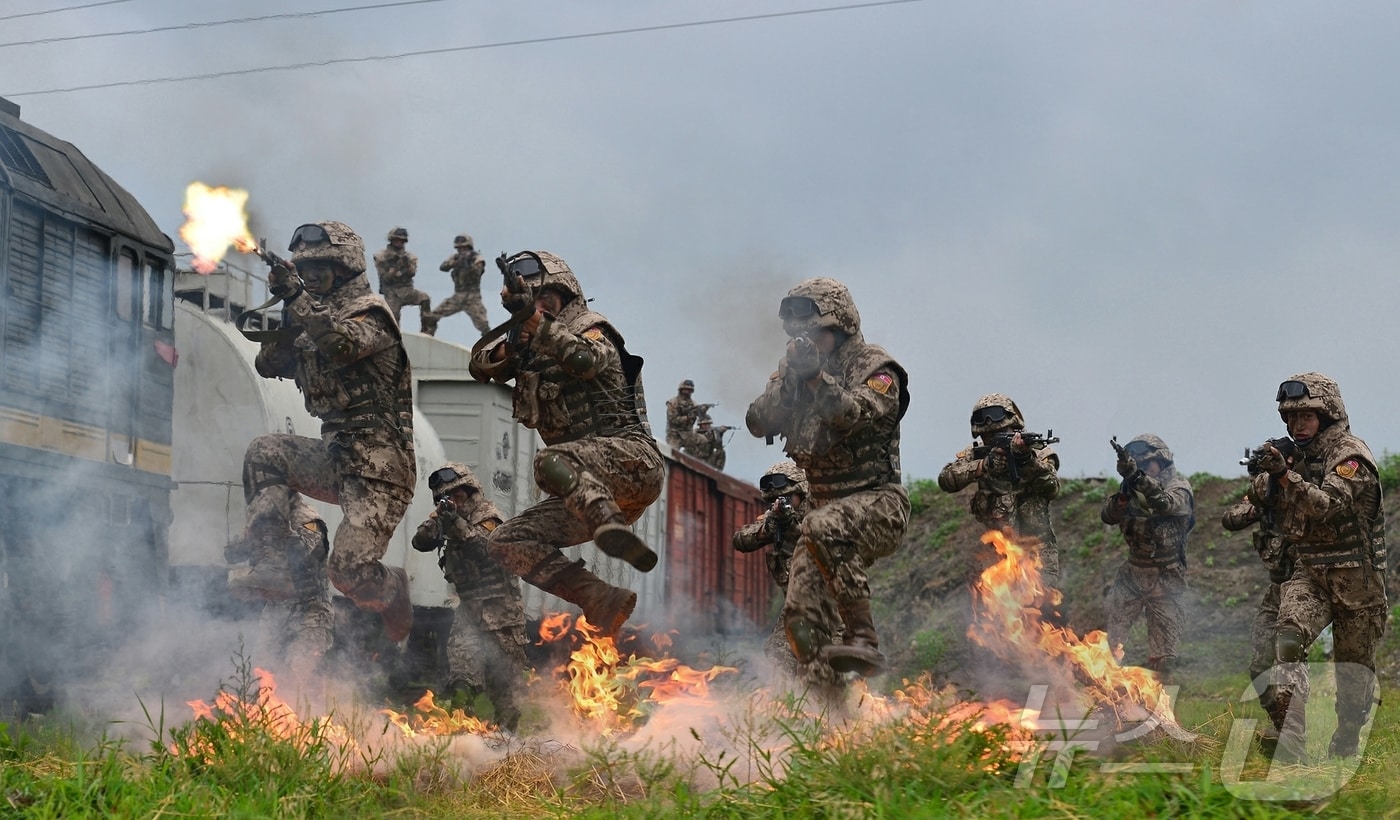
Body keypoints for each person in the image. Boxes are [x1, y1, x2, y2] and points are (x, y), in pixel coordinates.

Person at [236, 220, 415, 642]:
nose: (310, 275)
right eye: (304, 268)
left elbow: (342, 346)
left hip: (380, 467)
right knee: (265, 452)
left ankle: (394, 589)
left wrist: (298, 299)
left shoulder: (372, 312)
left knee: (348, 573)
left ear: (347, 267)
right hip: (336, 456)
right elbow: (268, 365)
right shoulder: (307, 314)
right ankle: (272, 562)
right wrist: (288, 308)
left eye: (321, 267)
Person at [468, 250, 663, 638]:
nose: (539, 310)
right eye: (531, 303)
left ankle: (608, 525)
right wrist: (516, 338)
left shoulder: (593, 328)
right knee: (506, 541)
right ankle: (600, 598)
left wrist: (537, 323)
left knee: (548, 460)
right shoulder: (529, 345)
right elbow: (480, 367)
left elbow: (584, 359)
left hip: (632, 463)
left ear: (567, 297)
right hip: (583, 488)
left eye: (547, 302)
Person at [745, 277, 910, 679]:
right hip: (824, 512)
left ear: (841, 327)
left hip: (878, 503)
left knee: (820, 524)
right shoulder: (792, 371)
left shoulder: (876, 368)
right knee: (799, 621)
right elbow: (756, 421)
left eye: (817, 333)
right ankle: (826, 710)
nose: (809, 341)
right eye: (802, 335)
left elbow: (850, 416)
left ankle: (863, 638)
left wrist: (818, 379)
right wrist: (789, 383)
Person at [1247, 373, 1386, 763]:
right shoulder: (1295, 457)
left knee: (1353, 675)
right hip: (1310, 573)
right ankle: (1291, 738)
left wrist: (1282, 475)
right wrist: (1266, 475)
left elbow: (1326, 506)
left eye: (1306, 416)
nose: (1297, 425)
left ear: (1327, 415)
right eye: (1291, 419)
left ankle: (1345, 742)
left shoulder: (1349, 456)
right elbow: (1251, 501)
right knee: (1287, 640)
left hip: (1356, 579)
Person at [412, 463, 528, 731]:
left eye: (459, 496)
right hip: (468, 614)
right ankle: (465, 743)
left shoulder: (490, 518)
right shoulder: (448, 517)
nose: (455, 502)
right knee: (461, 684)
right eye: (448, 497)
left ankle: (508, 748)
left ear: (471, 492)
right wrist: (439, 520)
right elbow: (420, 542)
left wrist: (457, 525)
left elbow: (487, 552)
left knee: (505, 693)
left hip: (502, 615)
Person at [937, 393, 1062, 597]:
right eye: (989, 437)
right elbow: (946, 480)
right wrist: (983, 465)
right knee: (997, 618)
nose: (994, 439)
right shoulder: (977, 453)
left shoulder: (1039, 453)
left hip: (1037, 553)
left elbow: (1052, 488)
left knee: (1040, 613)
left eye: (1002, 433)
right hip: (997, 554)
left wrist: (1025, 459)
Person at [1101, 434, 1194, 679]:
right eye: (1139, 466)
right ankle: (1111, 699)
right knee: (1110, 646)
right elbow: (1108, 516)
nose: (1144, 470)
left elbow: (1164, 503)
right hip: (1132, 575)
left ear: (1161, 462)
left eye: (1148, 465)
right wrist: (1123, 495)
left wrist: (1136, 478)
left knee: (1164, 658)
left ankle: (1160, 708)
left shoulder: (1179, 487)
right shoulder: (1133, 489)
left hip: (1166, 577)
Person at [733, 462, 838, 677]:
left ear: (803, 493)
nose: (780, 504)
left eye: (788, 499)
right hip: (796, 606)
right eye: (773, 501)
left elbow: (818, 540)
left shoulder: (823, 513)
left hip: (831, 608)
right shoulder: (776, 518)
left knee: (830, 661)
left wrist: (790, 526)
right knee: (779, 653)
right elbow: (741, 540)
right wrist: (769, 527)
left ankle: (837, 706)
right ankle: (787, 705)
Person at [227, 492, 333, 681]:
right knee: (261, 671)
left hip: (309, 611)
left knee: (301, 671)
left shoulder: (307, 520)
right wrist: (250, 536)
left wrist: (282, 534)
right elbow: (233, 554)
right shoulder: (262, 517)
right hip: (276, 610)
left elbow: (300, 557)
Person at [1221, 478, 1293, 747]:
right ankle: (1283, 726)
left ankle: (1295, 735)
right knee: (1259, 666)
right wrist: (1261, 505)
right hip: (1277, 588)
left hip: (1308, 585)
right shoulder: (1266, 489)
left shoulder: (1308, 485)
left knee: (1290, 664)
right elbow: (1231, 518)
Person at [373, 226, 436, 334]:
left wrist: (406, 265)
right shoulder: (381, 256)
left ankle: (427, 331)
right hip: (392, 293)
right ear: (391, 240)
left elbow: (412, 273)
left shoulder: (410, 257)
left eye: (401, 240)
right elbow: (384, 278)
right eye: (396, 240)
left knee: (425, 298)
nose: (399, 242)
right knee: (393, 319)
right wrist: (393, 270)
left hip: (407, 291)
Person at [432, 233, 491, 335]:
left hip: (473, 297)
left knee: (483, 324)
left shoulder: (476, 258)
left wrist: (469, 265)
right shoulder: (455, 258)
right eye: (459, 248)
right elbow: (443, 267)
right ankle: (427, 335)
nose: (462, 251)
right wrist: (455, 263)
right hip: (458, 296)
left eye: (464, 248)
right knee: (433, 315)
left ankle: (490, 345)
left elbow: (478, 272)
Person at [665, 379, 710, 452]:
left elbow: (697, 420)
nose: (688, 392)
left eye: (690, 390)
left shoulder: (694, 404)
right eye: (686, 389)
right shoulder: (672, 403)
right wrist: (687, 418)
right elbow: (673, 420)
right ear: (681, 389)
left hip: (688, 434)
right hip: (674, 435)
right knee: (671, 453)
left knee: (703, 441)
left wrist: (701, 412)